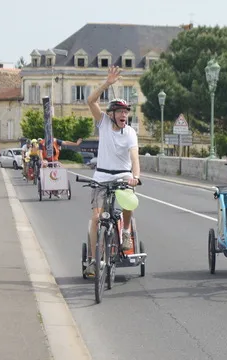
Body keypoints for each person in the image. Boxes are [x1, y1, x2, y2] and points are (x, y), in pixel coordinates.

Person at [83, 66, 140, 276]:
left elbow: (134, 157)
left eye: (126, 112)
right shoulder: (104, 123)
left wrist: (136, 176)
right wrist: (107, 83)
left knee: (129, 200)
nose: (124, 115)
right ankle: (92, 259)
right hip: (101, 176)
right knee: (97, 219)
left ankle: (125, 232)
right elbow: (90, 101)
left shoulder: (131, 133)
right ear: (112, 114)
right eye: (121, 112)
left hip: (122, 174)